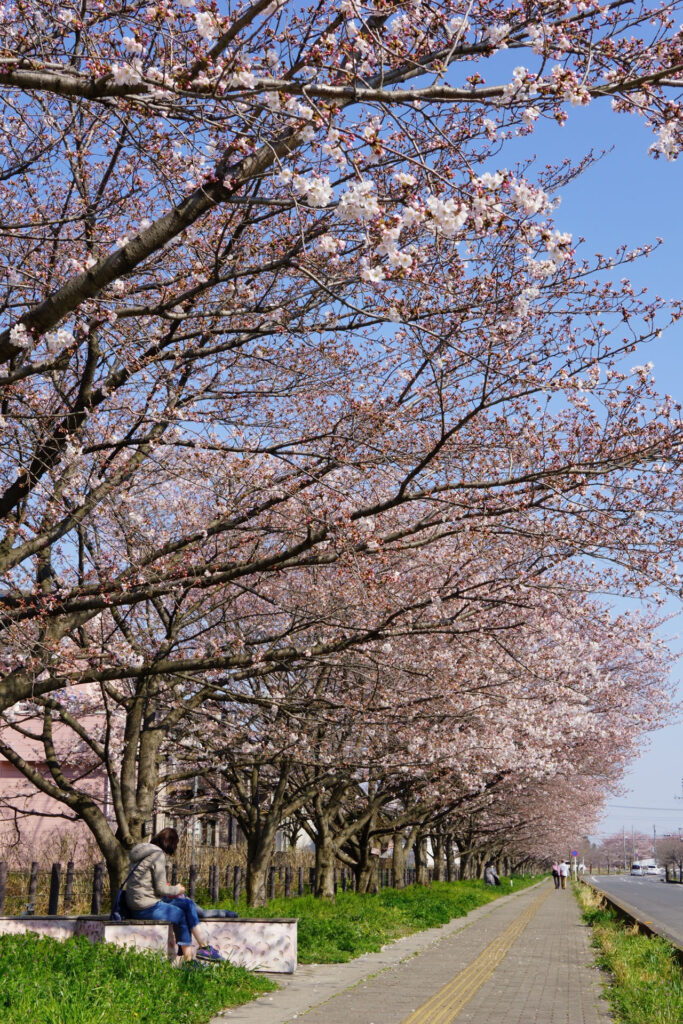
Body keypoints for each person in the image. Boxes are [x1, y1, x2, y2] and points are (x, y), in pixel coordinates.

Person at [125, 827, 225, 962]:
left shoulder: (142, 853)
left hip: (138, 902)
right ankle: (188, 961)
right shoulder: (157, 855)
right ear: (170, 842)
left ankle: (204, 948)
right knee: (180, 914)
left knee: (187, 904)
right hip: (146, 907)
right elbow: (161, 889)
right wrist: (177, 889)